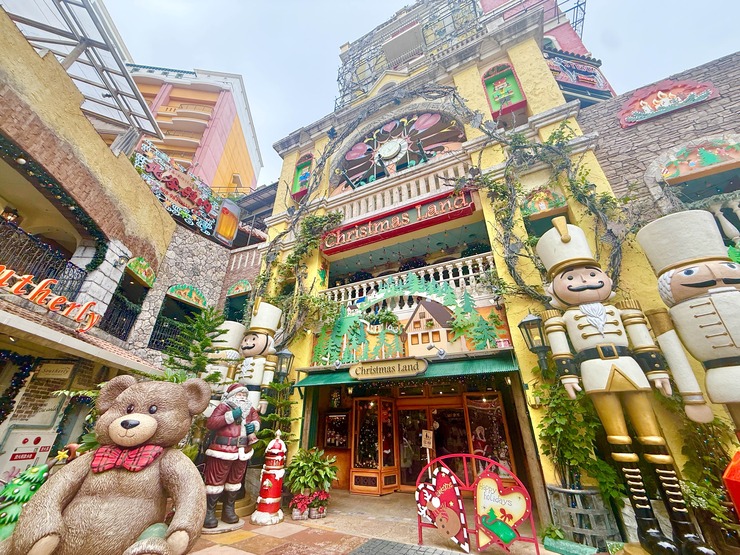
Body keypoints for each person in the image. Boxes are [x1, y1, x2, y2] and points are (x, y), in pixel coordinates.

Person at [536, 217, 714, 555]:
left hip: (630, 368)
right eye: (570, 278)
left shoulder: (621, 311)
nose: (583, 281)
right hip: (595, 373)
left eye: (591, 274)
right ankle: (648, 527)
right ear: (554, 287)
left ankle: (686, 530)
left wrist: (657, 370)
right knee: (619, 441)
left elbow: (643, 341)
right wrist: (569, 375)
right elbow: (561, 350)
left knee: (654, 441)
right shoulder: (563, 319)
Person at [202, 383, 261, 528]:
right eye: (239, 394)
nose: (242, 397)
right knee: (216, 481)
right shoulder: (224, 407)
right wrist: (230, 416)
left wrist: (254, 426)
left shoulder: (249, 409)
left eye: (244, 395)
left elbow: (257, 420)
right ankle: (209, 512)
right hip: (223, 450)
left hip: (242, 450)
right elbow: (211, 423)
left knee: (235, 481)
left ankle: (228, 510)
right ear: (232, 396)